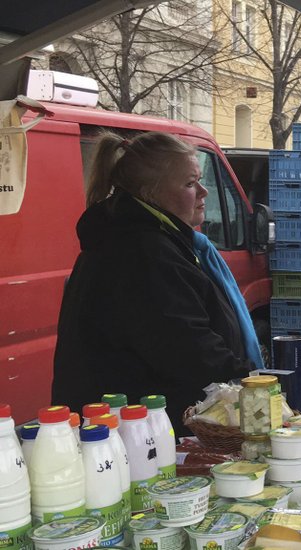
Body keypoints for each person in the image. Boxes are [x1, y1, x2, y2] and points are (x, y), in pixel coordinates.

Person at [52, 131, 261, 435]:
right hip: (136, 433)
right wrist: (254, 381)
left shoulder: (148, 240)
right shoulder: (142, 252)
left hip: (138, 426)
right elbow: (188, 348)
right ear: (150, 193)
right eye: (190, 184)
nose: (203, 192)